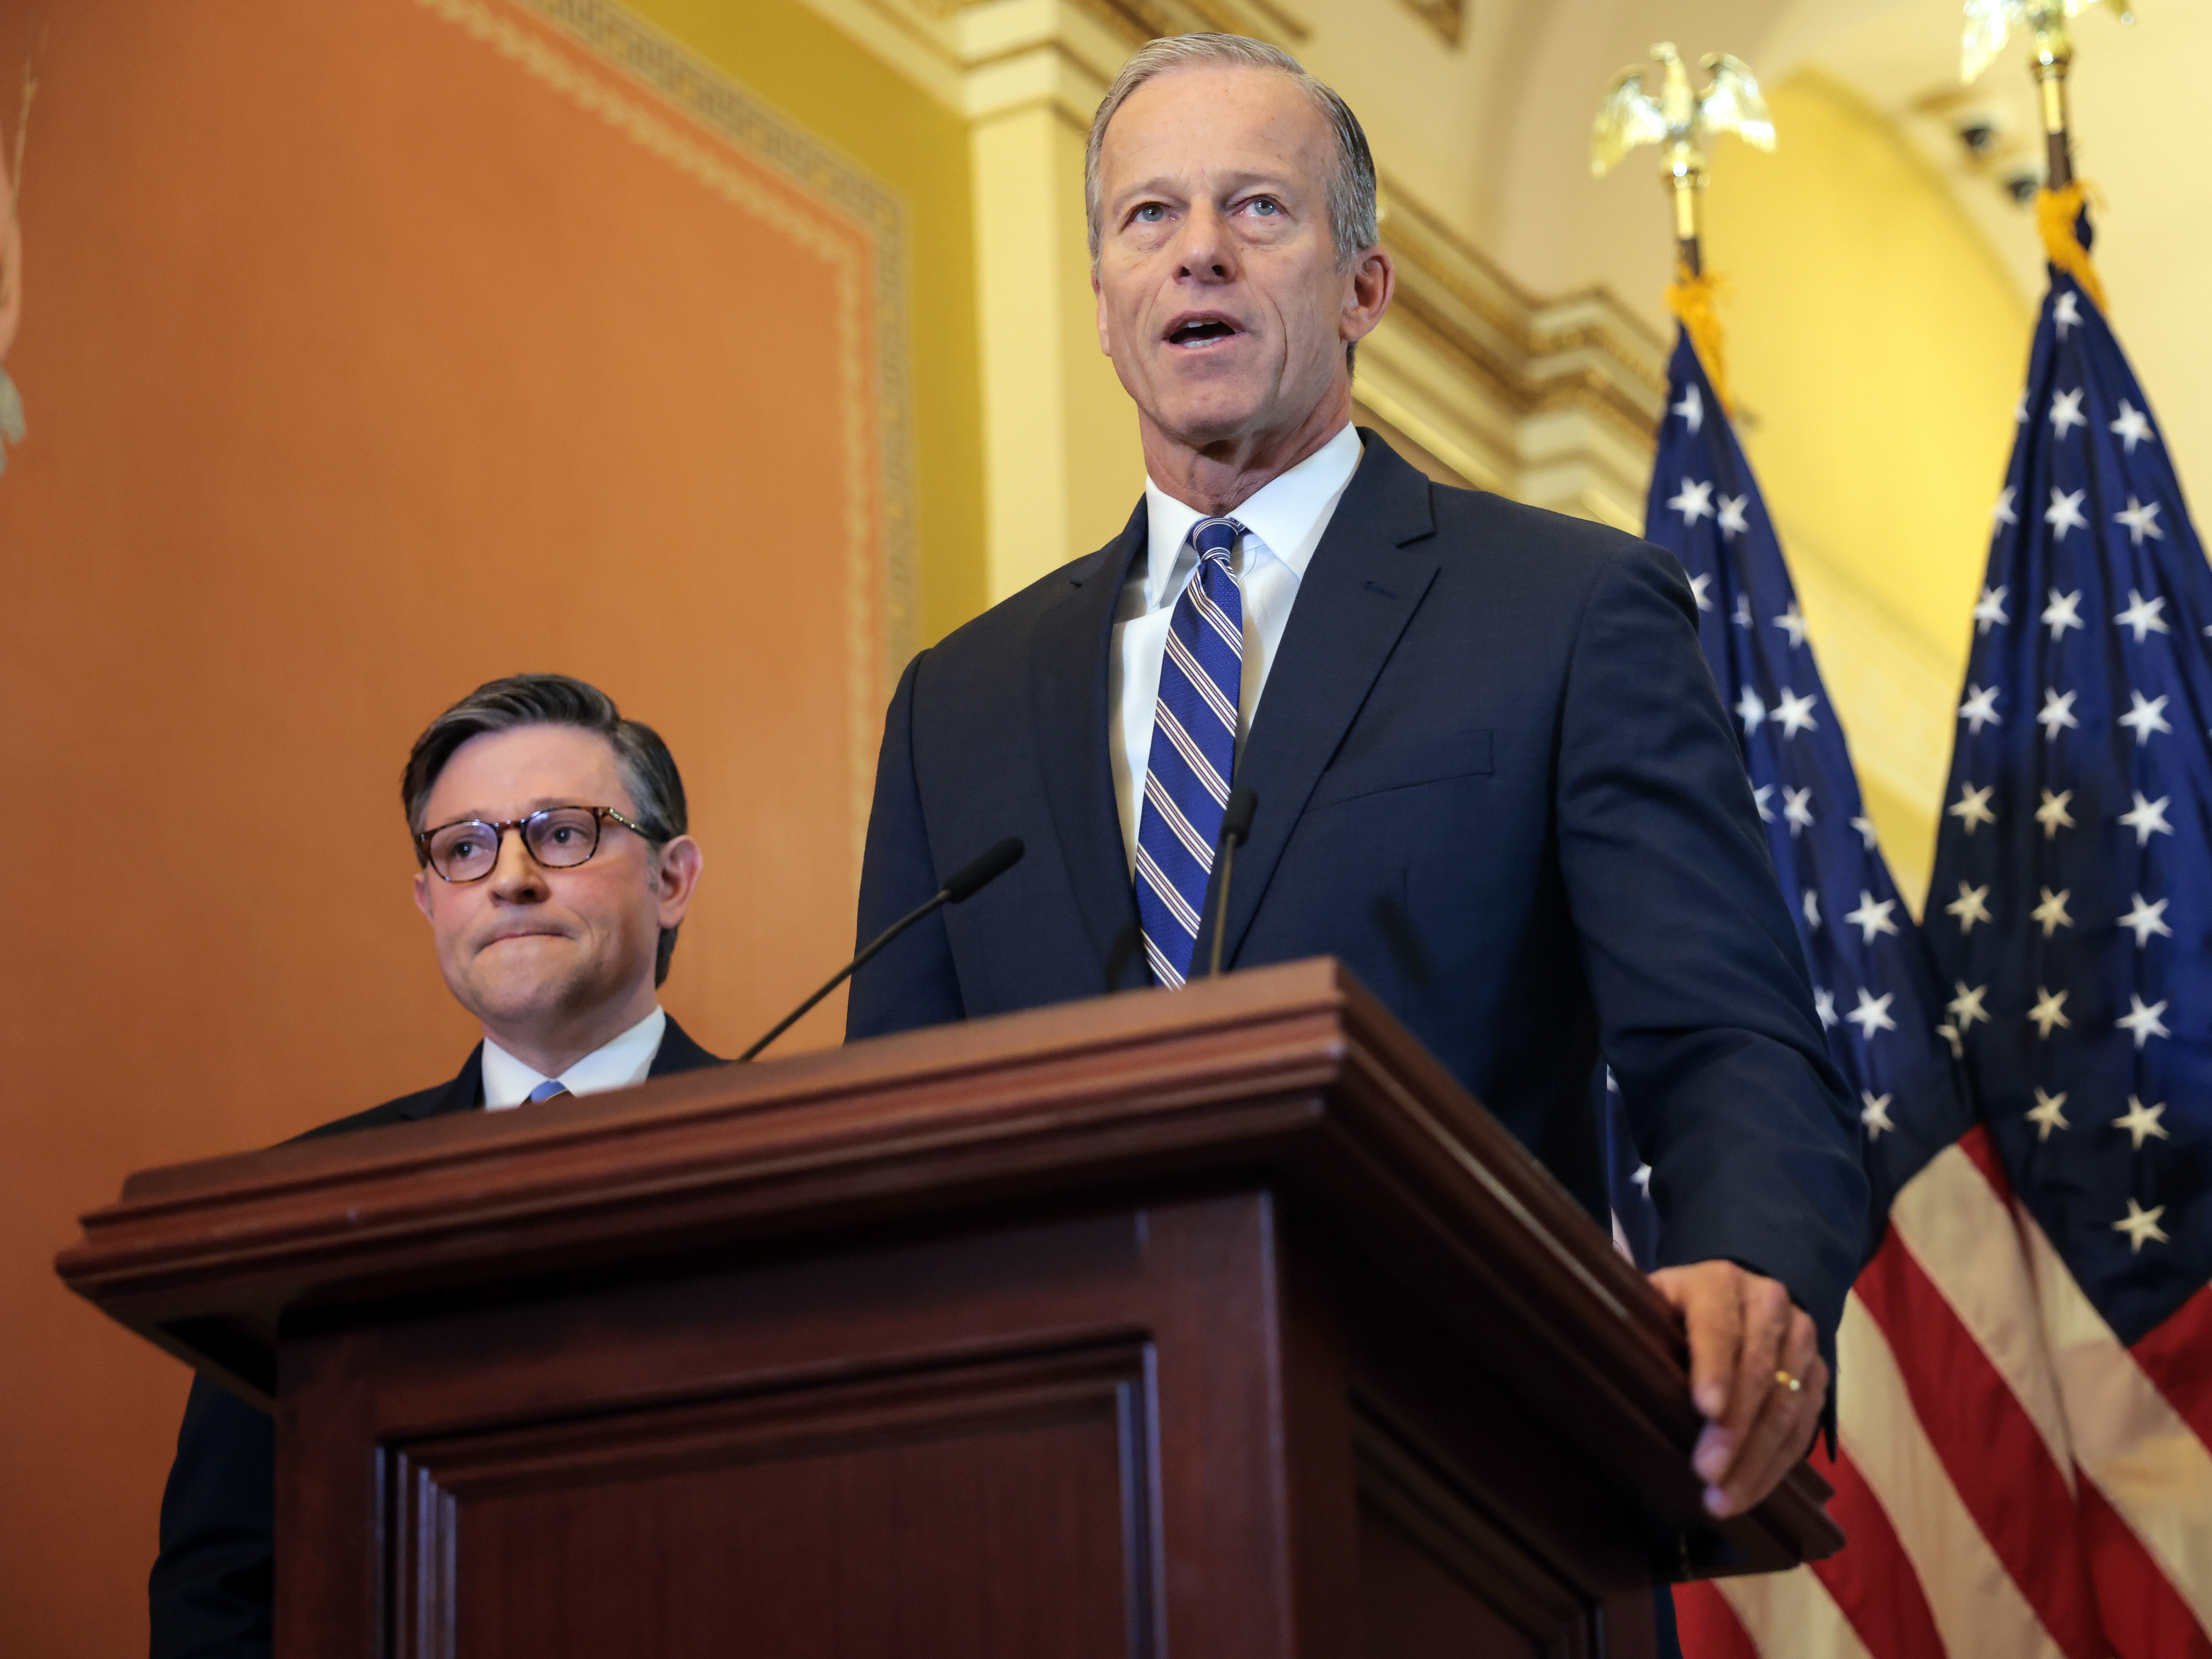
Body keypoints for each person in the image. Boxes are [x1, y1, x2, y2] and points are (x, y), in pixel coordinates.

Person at [847, 30, 1864, 1556]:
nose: (1197, 251)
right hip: (1054, 1511)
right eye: (1147, 217)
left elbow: (1722, 1035)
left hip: (1464, 1476)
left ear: (1361, 288)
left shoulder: (1564, 611)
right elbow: (898, 1130)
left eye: (1257, 209)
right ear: (1106, 306)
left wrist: (1746, 1269)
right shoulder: (957, 703)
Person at [150, 673, 723, 1658]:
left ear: (671, 879)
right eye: (465, 848)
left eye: (561, 832)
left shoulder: (803, 1157)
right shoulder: (308, 1200)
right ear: (429, 902)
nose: (510, 878)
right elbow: (222, 1593)